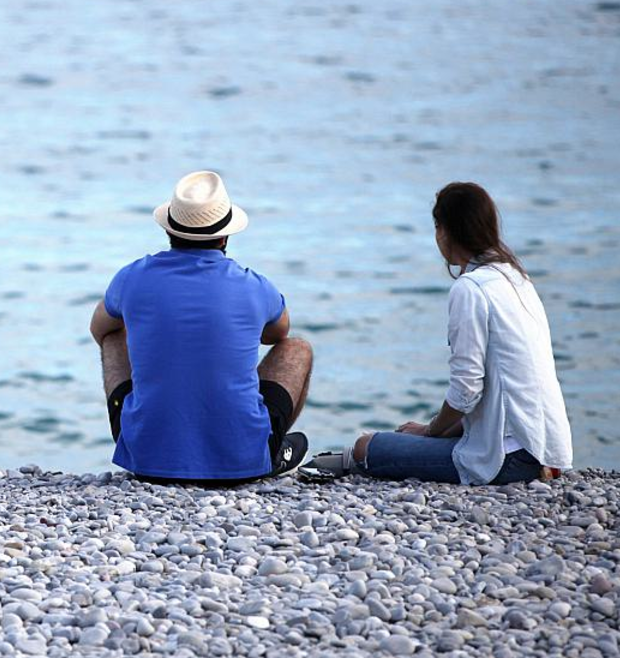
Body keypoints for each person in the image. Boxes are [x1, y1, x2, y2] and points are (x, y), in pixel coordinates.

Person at [305, 182, 572, 485]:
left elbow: (467, 391)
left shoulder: (470, 289)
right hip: (547, 451)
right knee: (417, 441)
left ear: (445, 230)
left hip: (507, 459)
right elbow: (498, 391)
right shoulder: (517, 279)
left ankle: (342, 462)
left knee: (365, 446)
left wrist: (429, 430)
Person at [90, 171, 313, 484]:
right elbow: (278, 336)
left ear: (170, 229)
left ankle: (150, 435)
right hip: (242, 464)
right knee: (297, 349)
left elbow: (99, 329)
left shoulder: (131, 277)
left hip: (146, 461)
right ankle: (269, 451)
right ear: (224, 236)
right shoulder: (255, 286)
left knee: (114, 334)